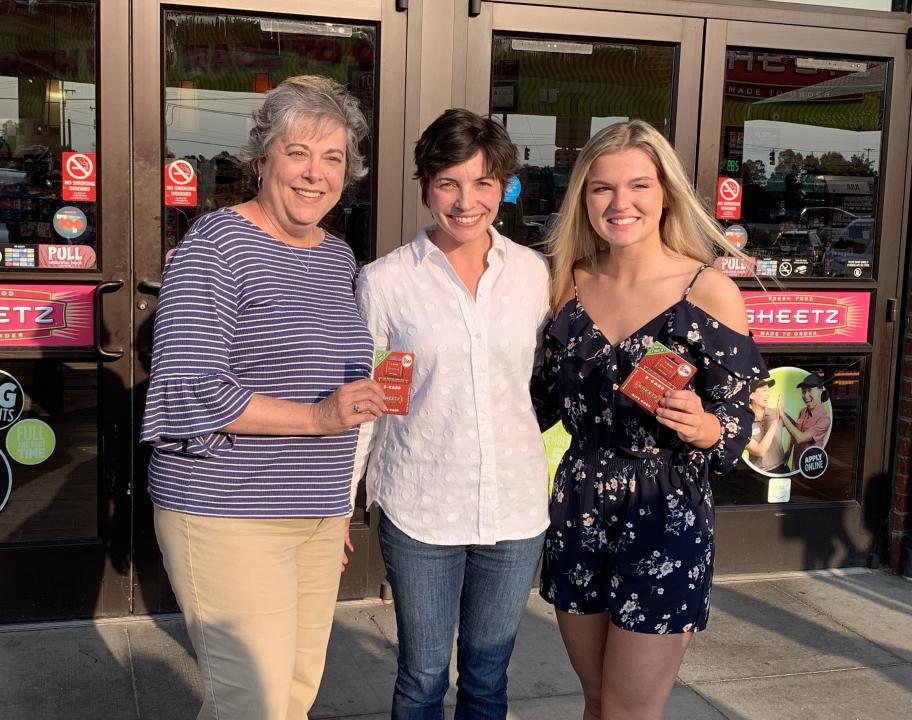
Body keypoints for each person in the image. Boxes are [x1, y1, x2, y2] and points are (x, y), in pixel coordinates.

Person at [140, 75, 386, 720]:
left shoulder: (337, 257)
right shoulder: (215, 245)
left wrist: (333, 507)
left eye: (332, 158)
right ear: (262, 159)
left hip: (314, 514)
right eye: (298, 152)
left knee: (295, 697)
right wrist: (315, 417)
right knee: (251, 704)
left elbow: (343, 381)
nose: (315, 174)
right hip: (227, 510)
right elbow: (191, 385)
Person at [531, 119, 765, 720]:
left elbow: (744, 420)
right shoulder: (565, 285)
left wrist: (703, 425)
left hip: (666, 508)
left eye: (638, 185)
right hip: (579, 503)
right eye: (601, 188)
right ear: (582, 198)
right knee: (595, 699)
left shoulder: (707, 291)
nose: (620, 203)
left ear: (666, 193)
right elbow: (532, 404)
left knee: (630, 711)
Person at [354, 108, 551, 719]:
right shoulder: (385, 281)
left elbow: (545, 382)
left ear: (504, 188)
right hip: (420, 507)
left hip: (514, 507)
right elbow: (367, 403)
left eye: (484, 183)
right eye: (449, 183)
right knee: (422, 675)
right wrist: (344, 502)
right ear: (425, 188)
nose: (467, 202)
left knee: (489, 677)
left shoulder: (534, 273)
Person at [781, 373, 831, 472]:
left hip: (809, 470)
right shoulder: (802, 411)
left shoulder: (824, 420)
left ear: (820, 391)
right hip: (795, 466)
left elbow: (800, 438)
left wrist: (782, 415)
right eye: (803, 391)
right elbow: (794, 434)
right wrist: (788, 453)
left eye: (809, 390)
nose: (806, 395)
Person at [746, 377, 790, 475]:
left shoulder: (776, 412)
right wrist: (776, 421)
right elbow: (759, 451)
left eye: (769, 391)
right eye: (764, 390)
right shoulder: (743, 422)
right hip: (759, 474)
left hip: (782, 469)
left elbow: (796, 429)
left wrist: (789, 452)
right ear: (752, 395)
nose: (768, 395)